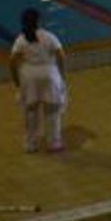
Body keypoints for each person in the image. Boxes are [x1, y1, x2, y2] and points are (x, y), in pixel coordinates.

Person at [9, 8, 67, 152]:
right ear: (39, 21)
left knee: (30, 112)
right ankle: (54, 143)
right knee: (52, 112)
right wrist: (61, 75)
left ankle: (31, 144)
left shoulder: (21, 39)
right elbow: (61, 55)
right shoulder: (49, 36)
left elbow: (12, 61)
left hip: (29, 76)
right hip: (49, 74)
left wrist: (16, 79)